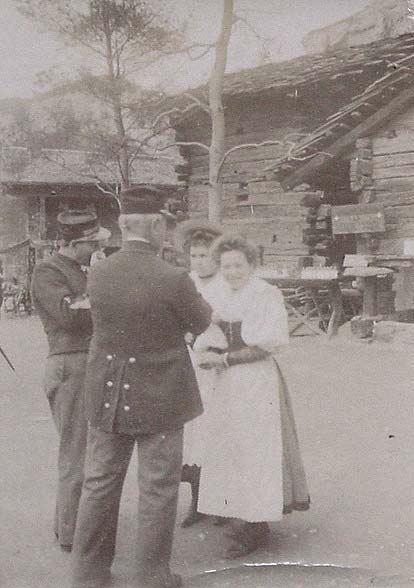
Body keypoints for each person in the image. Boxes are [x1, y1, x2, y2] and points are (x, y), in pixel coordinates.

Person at [71, 186, 212, 588]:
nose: (165, 232)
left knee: (99, 482)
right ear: (153, 224)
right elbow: (201, 322)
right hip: (161, 398)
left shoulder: (98, 272)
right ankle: (152, 577)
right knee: (158, 487)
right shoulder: (173, 278)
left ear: (121, 225)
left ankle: (88, 574)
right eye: (164, 226)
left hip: (107, 396)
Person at [194, 234, 310, 559]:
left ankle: (252, 523)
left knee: (255, 450)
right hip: (224, 381)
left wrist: (227, 358)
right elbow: (206, 335)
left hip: (256, 381)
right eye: (226, 265)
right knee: (227, 447)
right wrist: (206, 349)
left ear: (251, 264)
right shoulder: (216, 292)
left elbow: (265, 345)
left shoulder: (265, 293)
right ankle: (237, 515)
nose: (232, 271)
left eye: (238, 265)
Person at [31, 210, 111, 552]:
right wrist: (99, 287)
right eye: (92, 243)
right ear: (75, 243)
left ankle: (76, 526)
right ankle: (72, 534)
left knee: (91, 450)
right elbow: (70, 316)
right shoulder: (48, 270)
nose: (97, 248)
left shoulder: (82, 269)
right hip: (70, 365)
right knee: (76, 452)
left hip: (88, 362)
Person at [175, 219, 224, 528]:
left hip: (218, 368)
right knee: (193, 435)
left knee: (217, 433)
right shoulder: (185, 283)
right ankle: (197, 501)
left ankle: (220, 501)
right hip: (191, 366)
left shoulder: (225, 283)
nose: (199, 262)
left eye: (204, 255)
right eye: (194, 256)